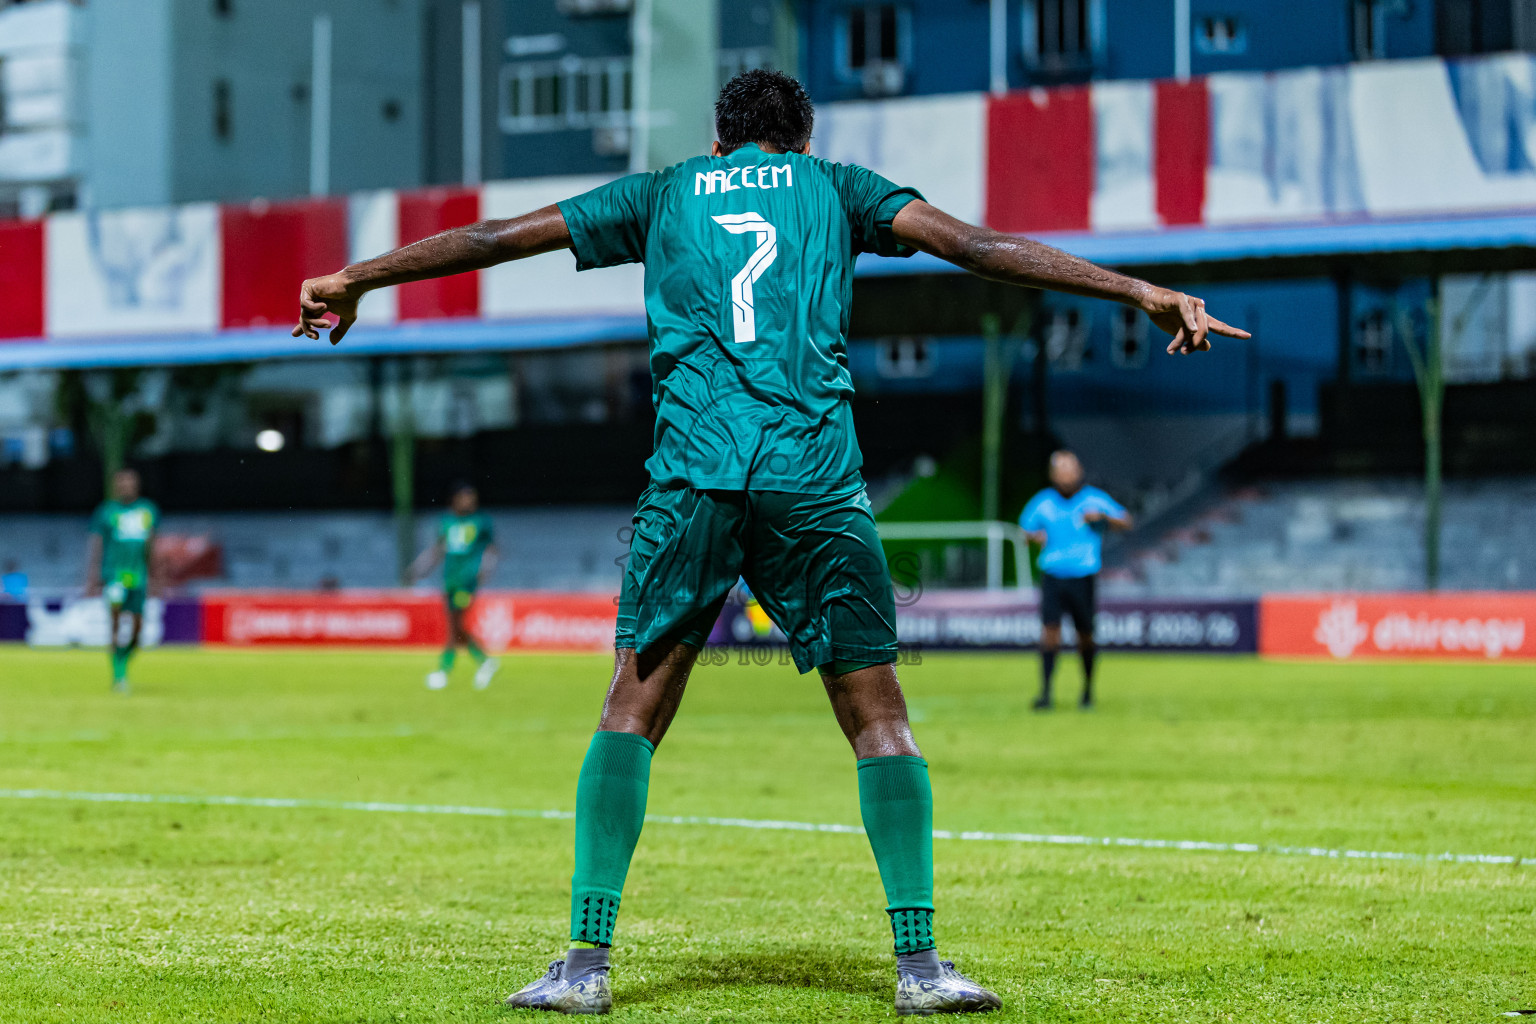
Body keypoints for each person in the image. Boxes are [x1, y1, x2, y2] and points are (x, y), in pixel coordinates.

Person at [292, 69, 1245, 1016]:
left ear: (721, 139)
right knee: (879, 717)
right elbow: (978, 246)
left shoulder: (663, 192)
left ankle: (584, 964)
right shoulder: (837, 188)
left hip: (694, 475)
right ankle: (920, 969)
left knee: (631, 709)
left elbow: (500, 239)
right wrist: (1136, 291)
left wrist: (357, 277)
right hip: (813, 476)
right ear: (799, 139)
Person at [1020, 451, 1133, 711]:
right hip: (1052, 575)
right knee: (1050, 632)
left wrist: (1103, 518)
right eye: (1061, 469)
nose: (1065, 474)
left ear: (1078, 471)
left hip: (1083, 576)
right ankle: (1046, 693)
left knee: (1085, 635)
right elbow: (1026, 531)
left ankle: (1087, 691)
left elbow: (1126, 521)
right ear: (1053, 474)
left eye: (1070, 469)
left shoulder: (1093, 499)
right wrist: (1034, 537)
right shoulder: (1043, 502)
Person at [409, 482, 500, 691]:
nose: (469, 501)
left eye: (472, 497)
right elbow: (438, 550)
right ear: (455, 499)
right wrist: (419, 569)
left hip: (466, 581)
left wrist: (485, 570)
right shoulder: (446, 521)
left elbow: (493, 549)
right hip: (449, 580)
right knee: (456, 628)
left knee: (454, 626)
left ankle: (444, 670)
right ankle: (485, 661)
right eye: (465, 497)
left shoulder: (481, 521)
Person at [84, 468, 159, 694]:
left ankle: (122, 661)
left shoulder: (148, 510)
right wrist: (92, 577)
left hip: (139, 577)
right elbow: (96, 545)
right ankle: (119, 675)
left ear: (136, 485)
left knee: (138, 629)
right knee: (115, 623)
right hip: (114, 576)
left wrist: (156, 576)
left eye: (129, 482)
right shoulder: (106, 511)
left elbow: (151, 546)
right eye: (121, 483)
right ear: (116, 487)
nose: (125, 486)